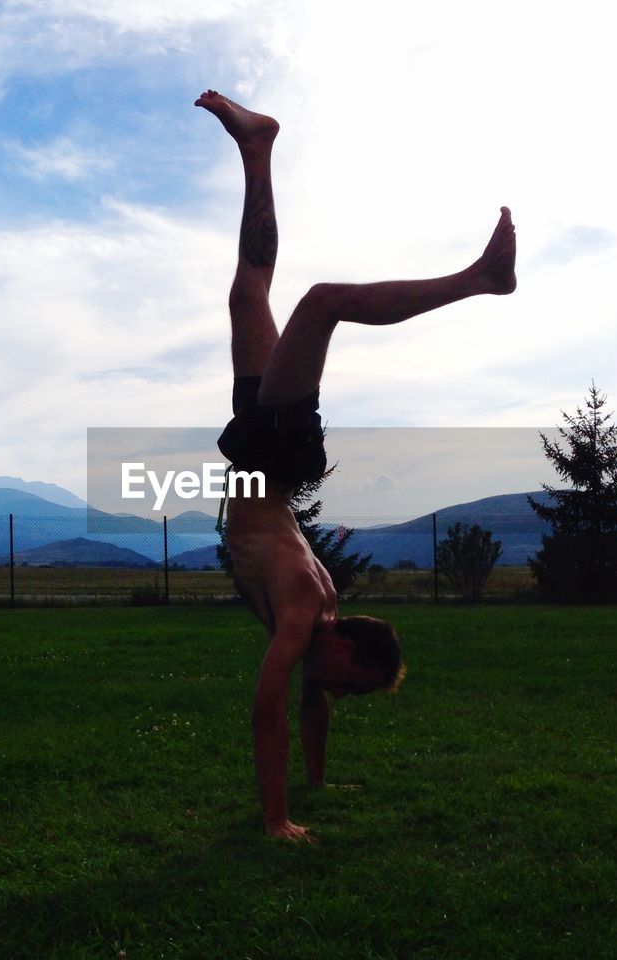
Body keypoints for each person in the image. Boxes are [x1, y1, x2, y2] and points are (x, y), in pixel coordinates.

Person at [197, 89, 517, 842]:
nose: (344, 693)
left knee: (250, 292)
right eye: (353, 682)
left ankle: (258, 149)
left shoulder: (320, 625)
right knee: (323, 303)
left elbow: (304, 702)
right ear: (345, 645)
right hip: (273, 459)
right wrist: (276, 822)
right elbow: (266, 706)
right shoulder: (310, 611)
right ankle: (480, 280)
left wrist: (312, 784)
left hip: (262, 455)